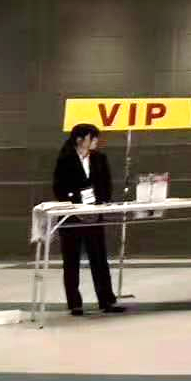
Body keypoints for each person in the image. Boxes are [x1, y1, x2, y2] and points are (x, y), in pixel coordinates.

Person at [51, 123, 123, 316]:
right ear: (80, 139)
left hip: (94, 215)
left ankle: (106, 300)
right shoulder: (65, 159)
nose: (96, 141)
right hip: (72, 216)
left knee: (99, 259)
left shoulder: (100, 158)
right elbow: (59, 187)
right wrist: (76, 201)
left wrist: (101, 201)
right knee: (71, 261)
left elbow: (106, 184)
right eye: (93, 137)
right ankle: (75, 303)